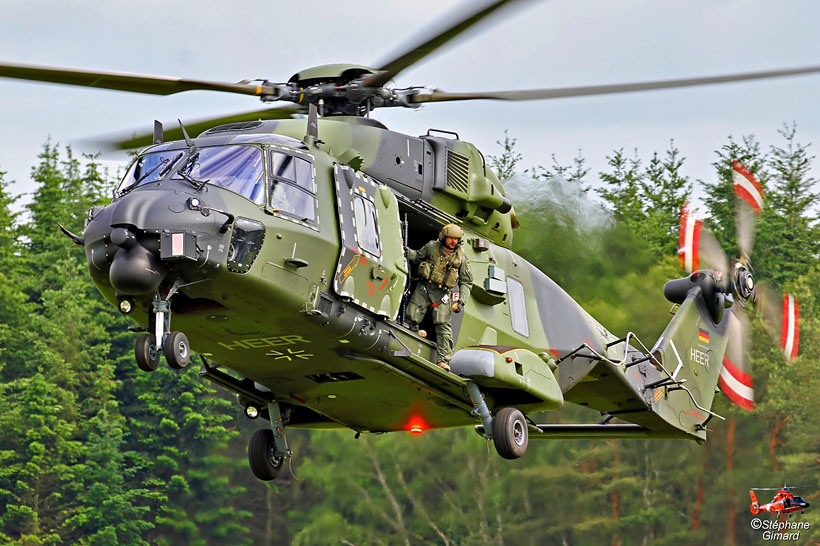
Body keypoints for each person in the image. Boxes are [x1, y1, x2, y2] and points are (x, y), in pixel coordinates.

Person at [406, 224, 473, 371]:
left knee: (443, 327)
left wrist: (461, 301)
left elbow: (466, 282)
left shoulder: (461, 259)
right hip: (425, 287)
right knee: (411, 315)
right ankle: (415, 333)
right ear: (444, 237)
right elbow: (417, 257)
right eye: (451, 238)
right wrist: (405, 250)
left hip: (442, 294)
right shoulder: (431, 247)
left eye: (456, 239)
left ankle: (442, 360)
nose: (453, 242)